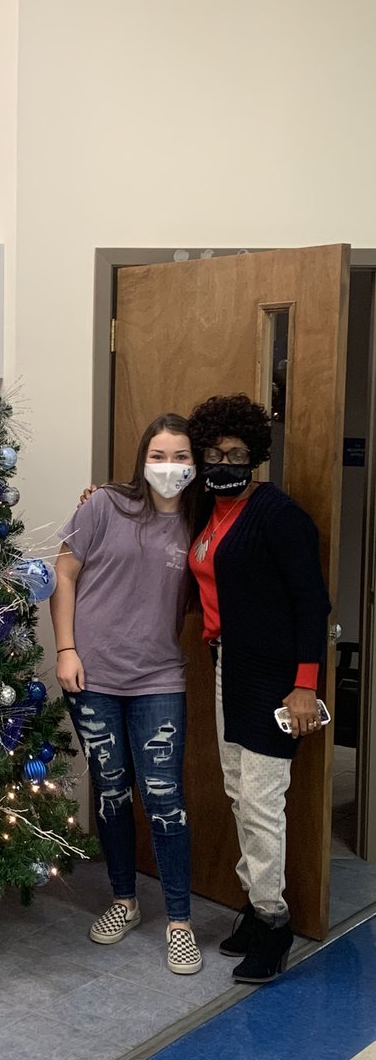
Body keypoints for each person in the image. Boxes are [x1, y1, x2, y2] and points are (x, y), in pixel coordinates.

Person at [50, 414, 203, 975]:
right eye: (159, 456)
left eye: (181, 456)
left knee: (165, 796)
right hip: (92, 675)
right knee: (111, 791)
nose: (169, 467)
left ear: (196, 464)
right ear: (142, 459)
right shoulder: (104, 505)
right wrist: (66, 649)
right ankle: (124, 901)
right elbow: (64, 573)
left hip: (161, 677)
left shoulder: (199, 520)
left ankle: (180, 922)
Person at [186, 394, 330, 984]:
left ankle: (275, 922)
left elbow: (311, 605)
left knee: (264, 801)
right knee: (238, 789)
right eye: (215, 454)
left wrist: (304, 687)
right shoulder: (207, 510)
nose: (225, 463)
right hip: (229, 669)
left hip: (276, 680)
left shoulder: (278, 515)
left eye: (237, 454)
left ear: (257, 457)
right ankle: (254, 902)